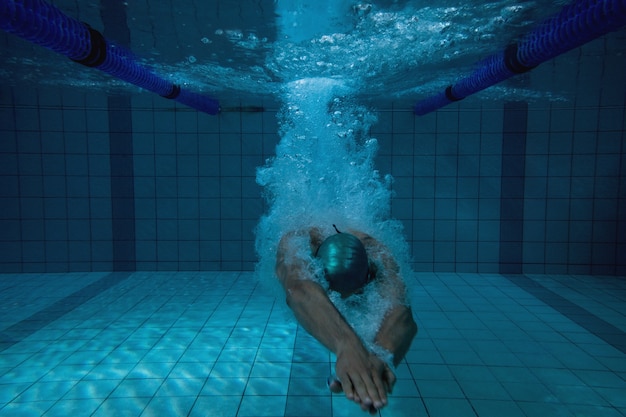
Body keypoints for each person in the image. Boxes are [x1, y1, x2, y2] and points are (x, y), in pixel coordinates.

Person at [275, 225, 418, 414]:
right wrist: (347, 345)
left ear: (369, 276)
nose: (345, 304)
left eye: (356, 294)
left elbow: (401, 310)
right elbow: (298, 290)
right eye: (334, 297)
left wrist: (381, 354)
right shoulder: (294, 242)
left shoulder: (378, 253)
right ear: (318, 280)